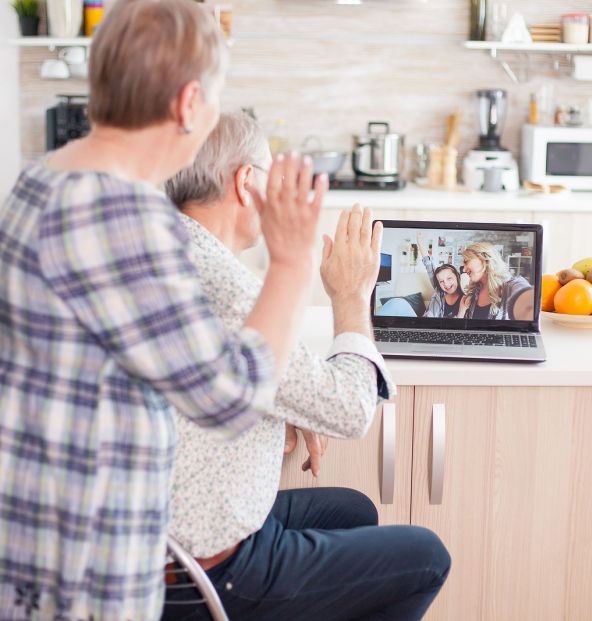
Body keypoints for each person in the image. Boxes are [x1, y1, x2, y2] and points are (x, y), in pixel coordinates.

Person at [0, 3, 327, 619]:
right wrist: (292, 263)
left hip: (33, 540)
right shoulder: (125, 220)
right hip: (89, 570)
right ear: (188, 103)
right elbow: (230, 395)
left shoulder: (41, 181)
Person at [161, 111, 451, 621]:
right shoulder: (228, 290)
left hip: (171, 528)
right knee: (427, 557)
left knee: (354, 512)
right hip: (203, 571)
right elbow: (350, 411)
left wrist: (285, 402)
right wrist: (351, 296)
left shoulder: (172, 249)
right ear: (246, 183)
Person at [457, 242, 534, 320]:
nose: (464, 269)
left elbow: (525, 294)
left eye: (466, 262)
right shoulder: (474, 289)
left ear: (484, 259)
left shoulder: (510, 286)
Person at [417, 233, 464, 318]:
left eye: (449, 278)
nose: (446, 284)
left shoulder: (465, 298)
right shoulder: (439, 291)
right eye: (441, 281)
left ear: (457, 276)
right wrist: (420, 242)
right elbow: (429, 265)